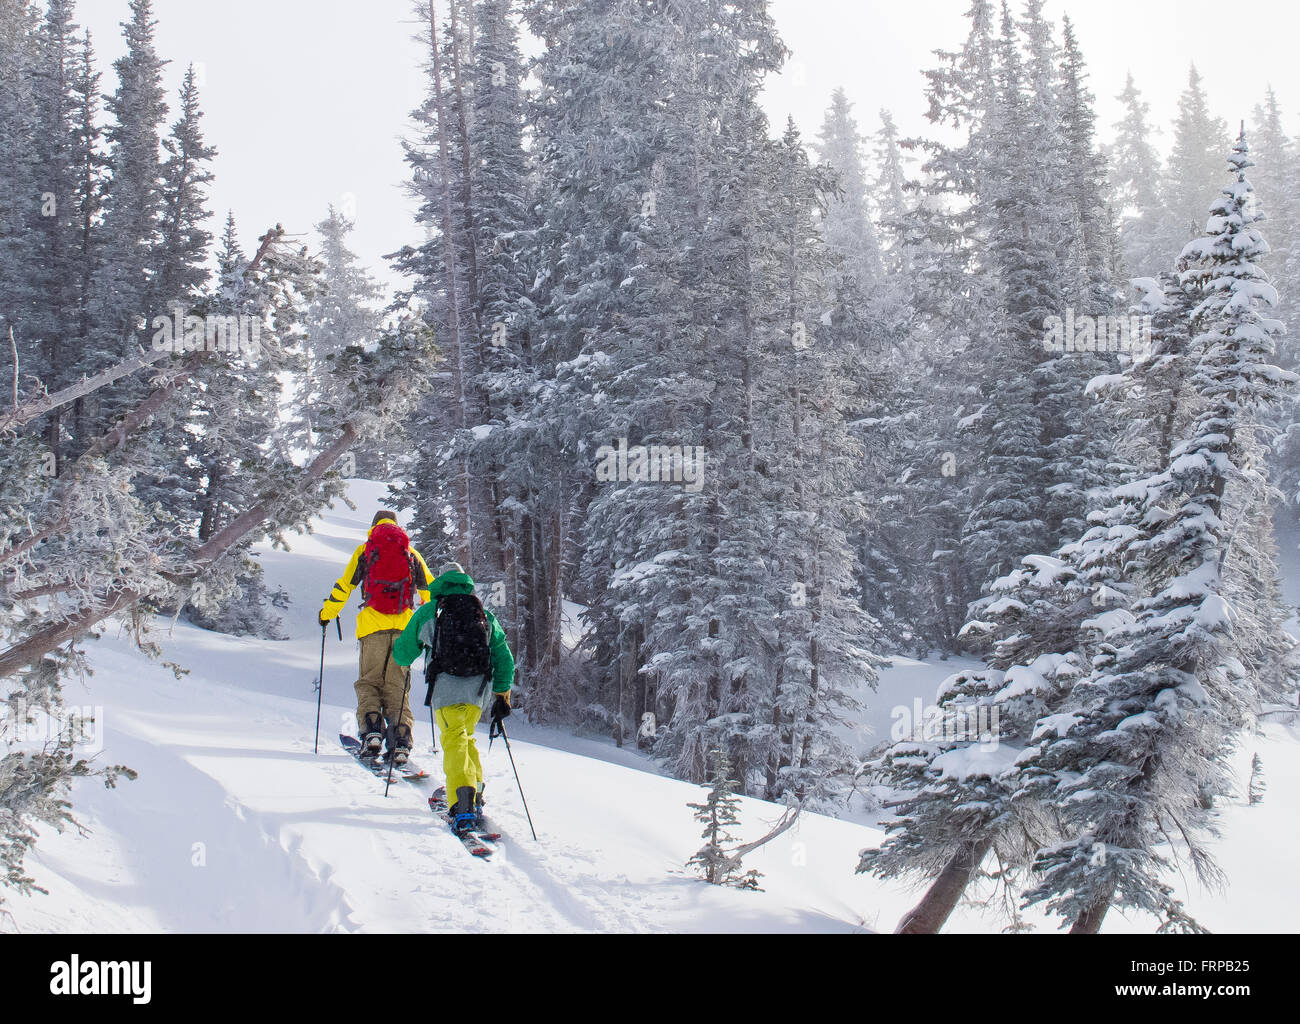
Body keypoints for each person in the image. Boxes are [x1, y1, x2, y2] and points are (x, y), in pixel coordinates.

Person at [393, 563, 515, 832]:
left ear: (442, 582)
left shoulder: (430, 611)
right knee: (466, 737)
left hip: (446, 690)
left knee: (454, 741)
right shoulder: (483, 613)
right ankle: (475, 792)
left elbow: (402, 653)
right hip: (478, 692)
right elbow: (504, 656)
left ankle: (462, 804)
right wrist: (502, 694)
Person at [319, 510, 434, 765]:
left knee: (369, 682)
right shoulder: (411, 554)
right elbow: (430, 593)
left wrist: (327, 614)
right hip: (405, 630)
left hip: (372, 628)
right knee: (397, 687)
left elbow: (344, 586)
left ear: (373, 526)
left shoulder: (366, 550)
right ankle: (401, 741)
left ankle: (372, 732)